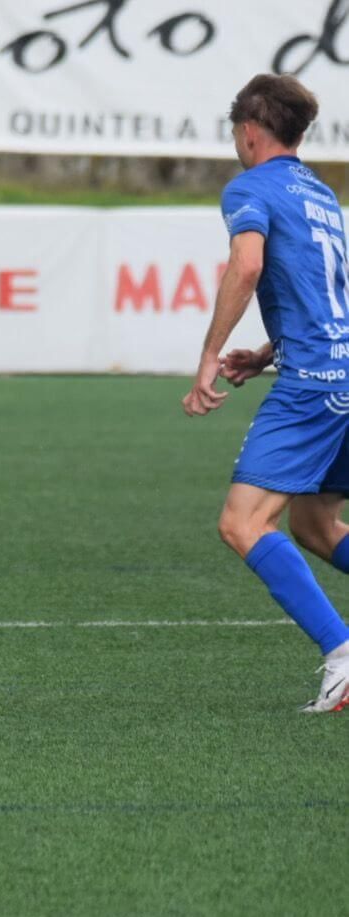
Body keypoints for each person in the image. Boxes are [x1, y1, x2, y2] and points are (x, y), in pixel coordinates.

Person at [184, 73, 349, 712]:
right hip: (338, 369)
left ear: (248, 131)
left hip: (313, 385)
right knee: (315, 523)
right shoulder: (320, 192)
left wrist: (208, 356)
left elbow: (247, 266)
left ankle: (340, 652)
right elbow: (325, 289)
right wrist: (267, 351)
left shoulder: (249, 187)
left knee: (243, 522)